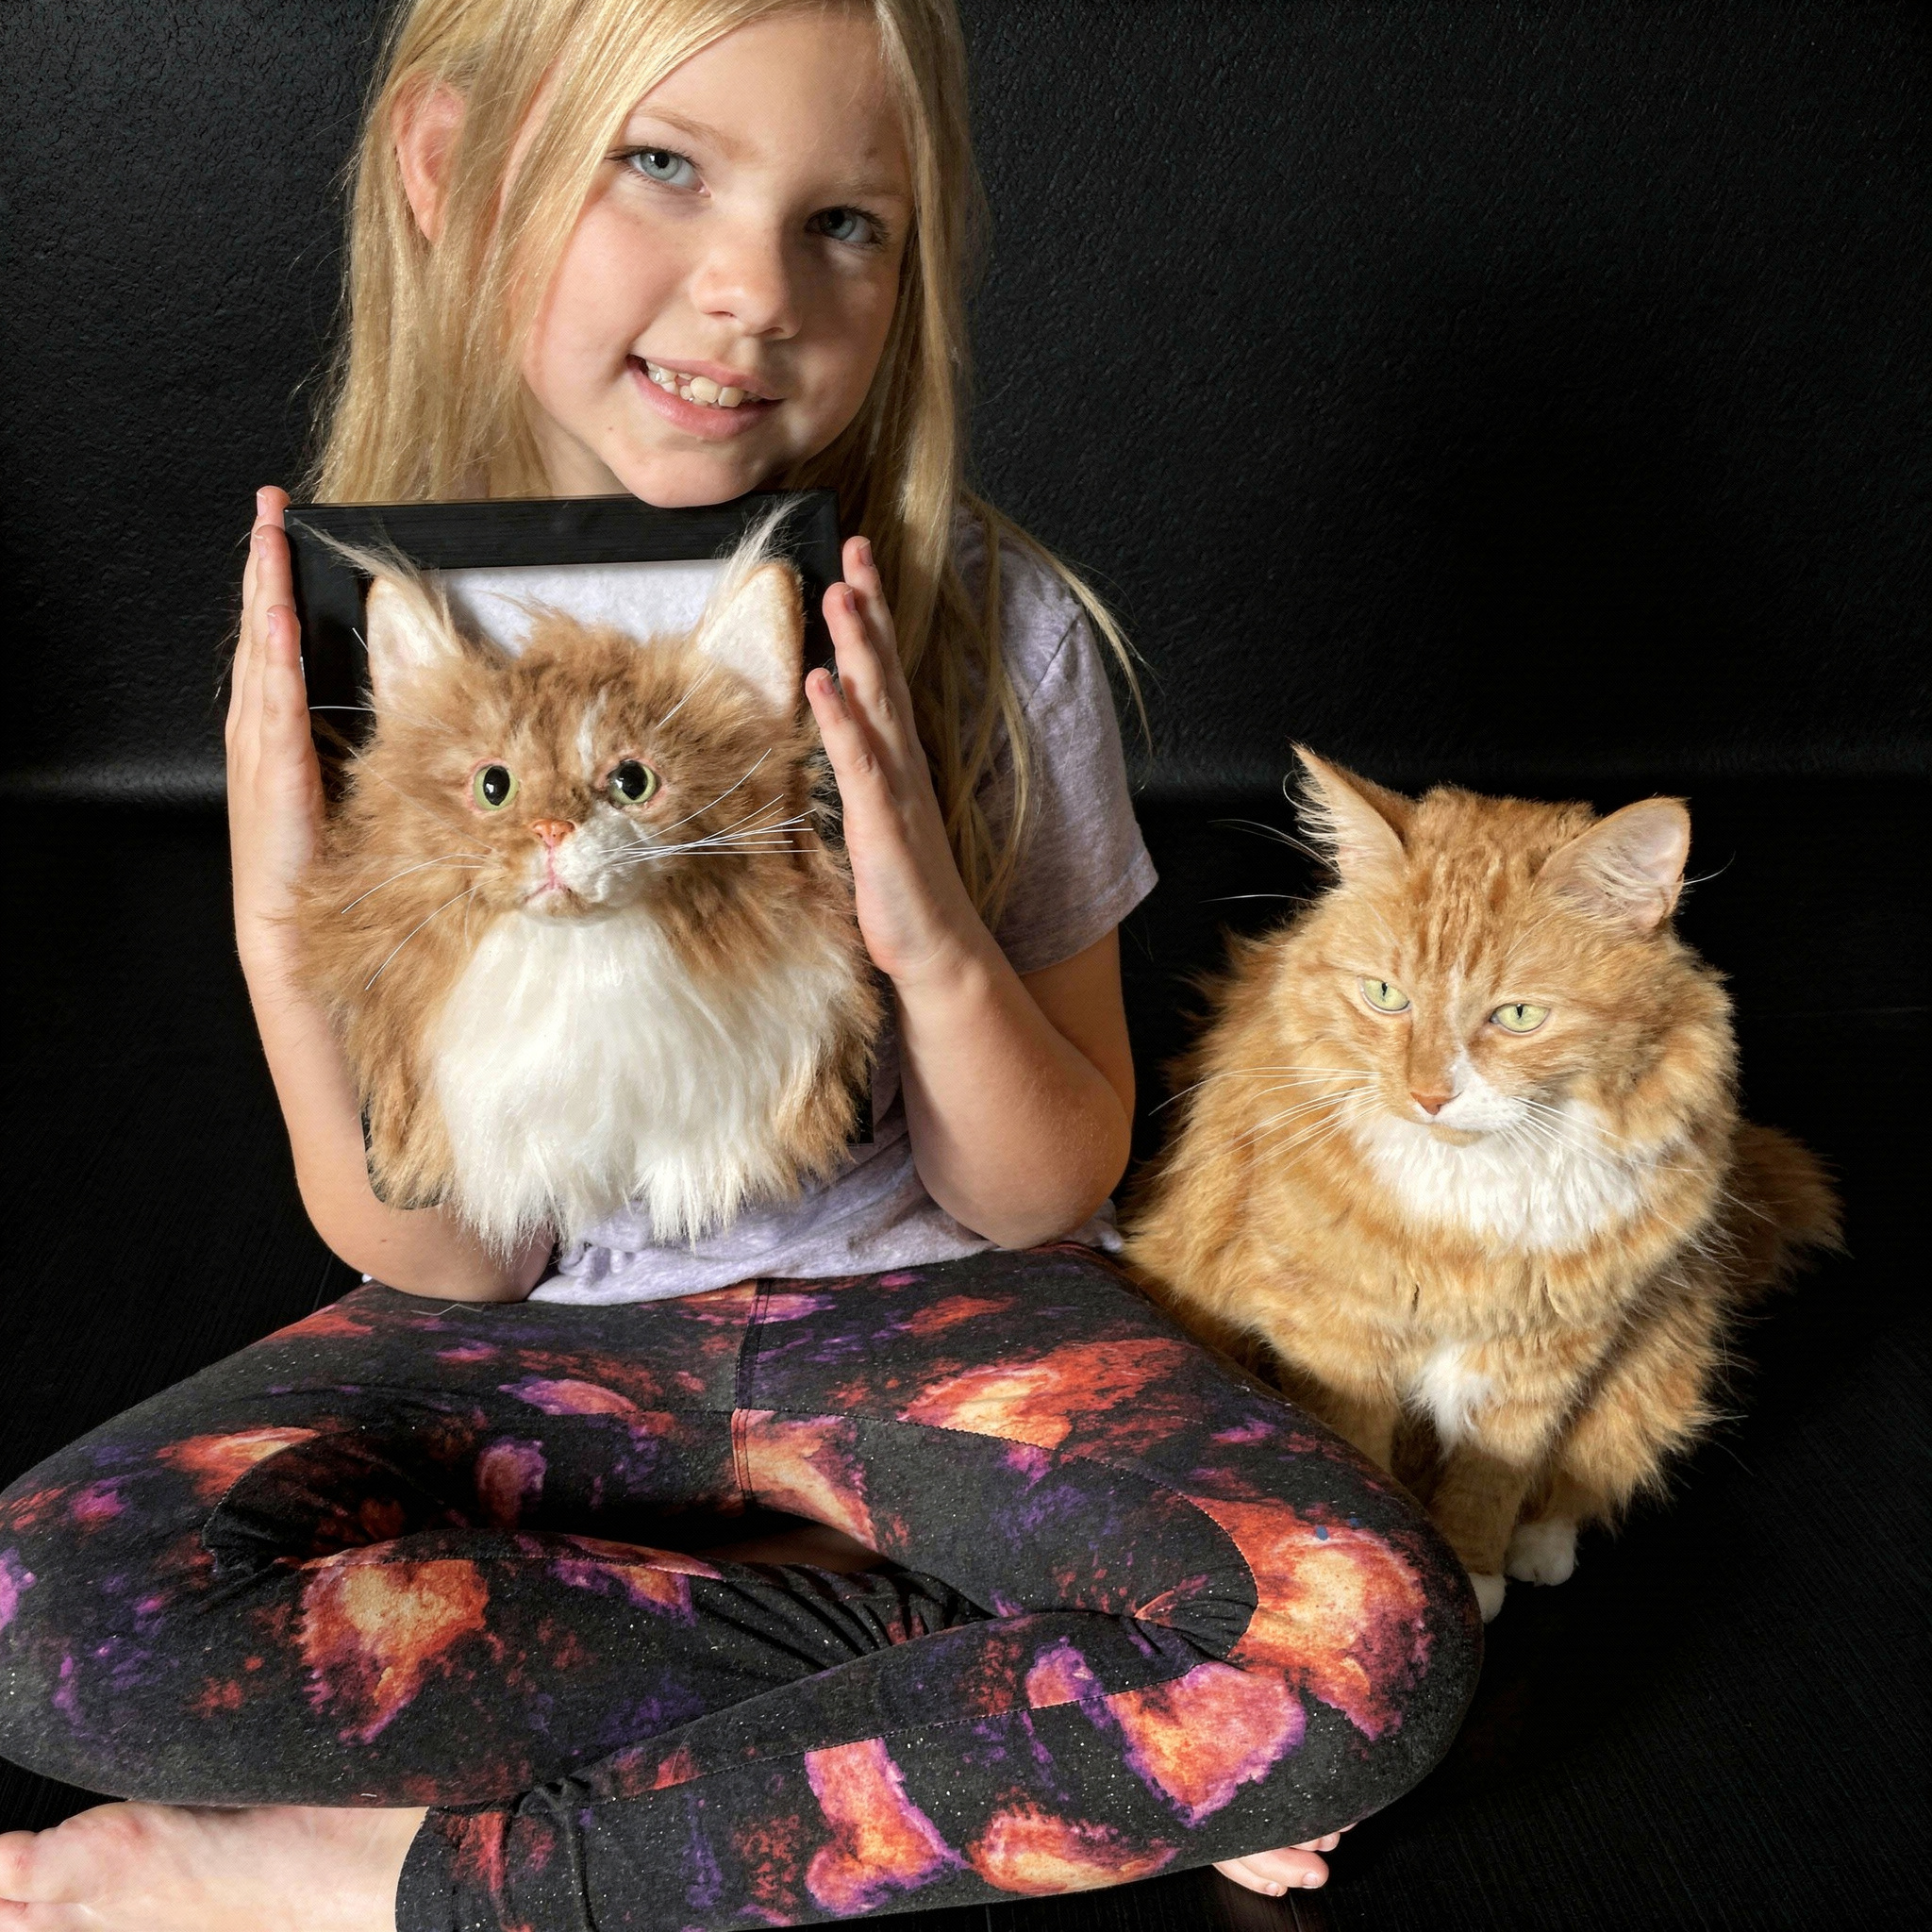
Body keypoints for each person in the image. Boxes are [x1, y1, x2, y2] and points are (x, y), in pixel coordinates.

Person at [0, 3, 1480, 1925]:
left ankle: (392, 1885)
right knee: (45, 1618)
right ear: (454, 175)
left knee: (1364, 1633)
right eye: (665, 163)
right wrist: (288, 935)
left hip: (936, 1329)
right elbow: (446, 1257)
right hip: (527, 1347)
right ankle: (1015, 1709)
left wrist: (925, 920)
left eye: (844, 224)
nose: (751, 291)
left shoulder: (981, 625)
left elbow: (1045, 1187)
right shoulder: (381, 654)